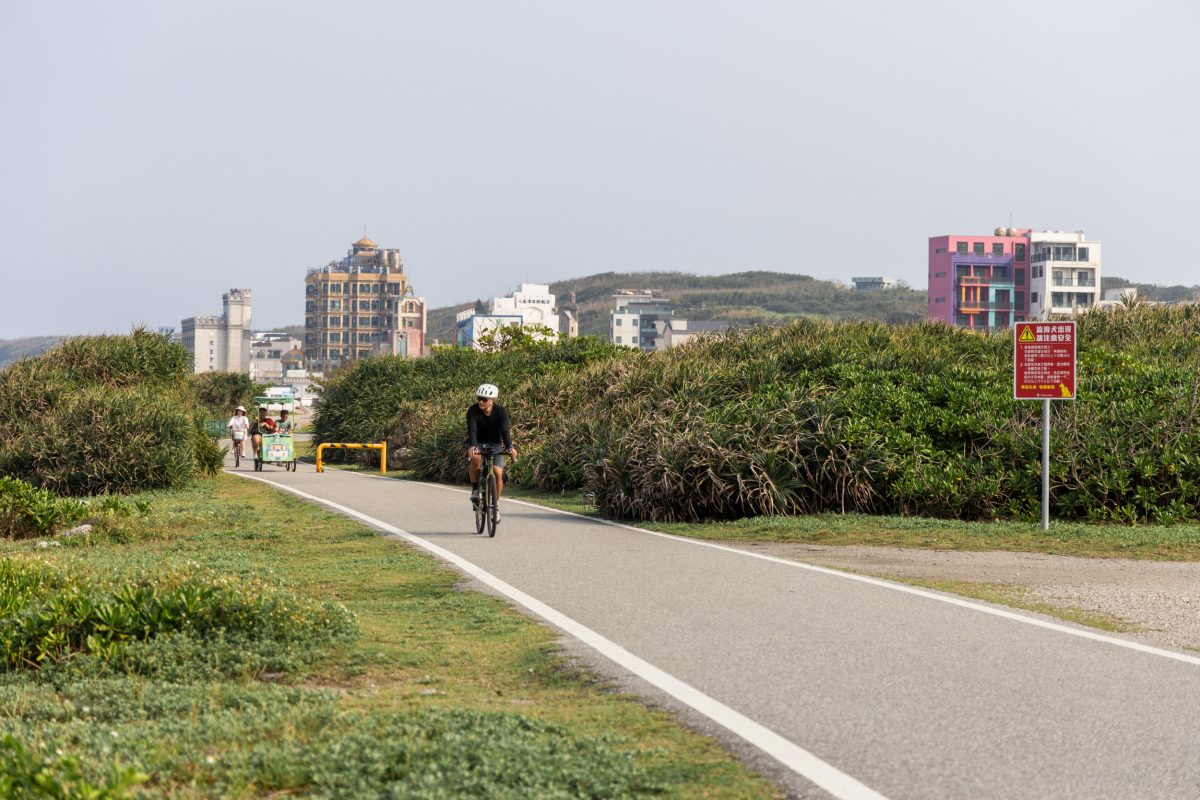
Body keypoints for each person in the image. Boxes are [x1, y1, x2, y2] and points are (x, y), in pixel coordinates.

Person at [466, 383, 517, 521]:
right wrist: (472, 446)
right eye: (479, 398)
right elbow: (472, 430)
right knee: (475, 458)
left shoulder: (501, 412)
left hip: (495, 443)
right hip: (478, 442)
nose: (480, 401)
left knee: (497, 473)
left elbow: (505, 431)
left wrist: (510, 446)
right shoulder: (473, 411)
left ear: (492, 400)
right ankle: (475, 489)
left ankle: (494, 506)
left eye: (484, 399)